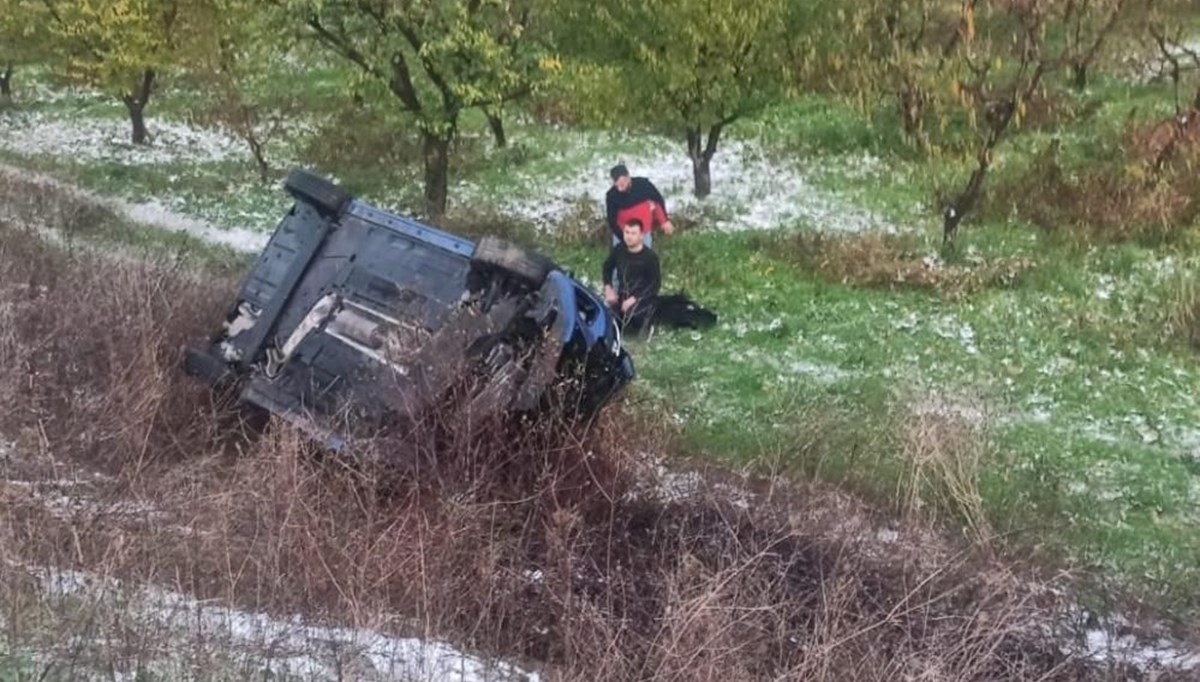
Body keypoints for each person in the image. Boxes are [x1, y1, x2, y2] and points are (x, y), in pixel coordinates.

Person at [603, 218, 661, 334]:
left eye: (633, 233)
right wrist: (608, 288)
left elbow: (654, 284)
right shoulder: (619, 250)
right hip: (623, 294)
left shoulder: (650, 257)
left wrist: (633, 299)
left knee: (633, 318)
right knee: (608, 318)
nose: (629, 237)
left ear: (641, 236)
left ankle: (648, 326)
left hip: (643, 299)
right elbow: (607, 268)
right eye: (627, 232)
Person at [605, 164, 674, 249]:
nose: (619, 189)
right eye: (617, 185)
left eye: (622, 184)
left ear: (628, 177)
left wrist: (664, 221)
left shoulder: (643, 185)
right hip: (623, 233)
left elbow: (657, 201)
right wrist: (625, 238)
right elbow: (612, 220)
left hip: (644, 232)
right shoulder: (611, 195)